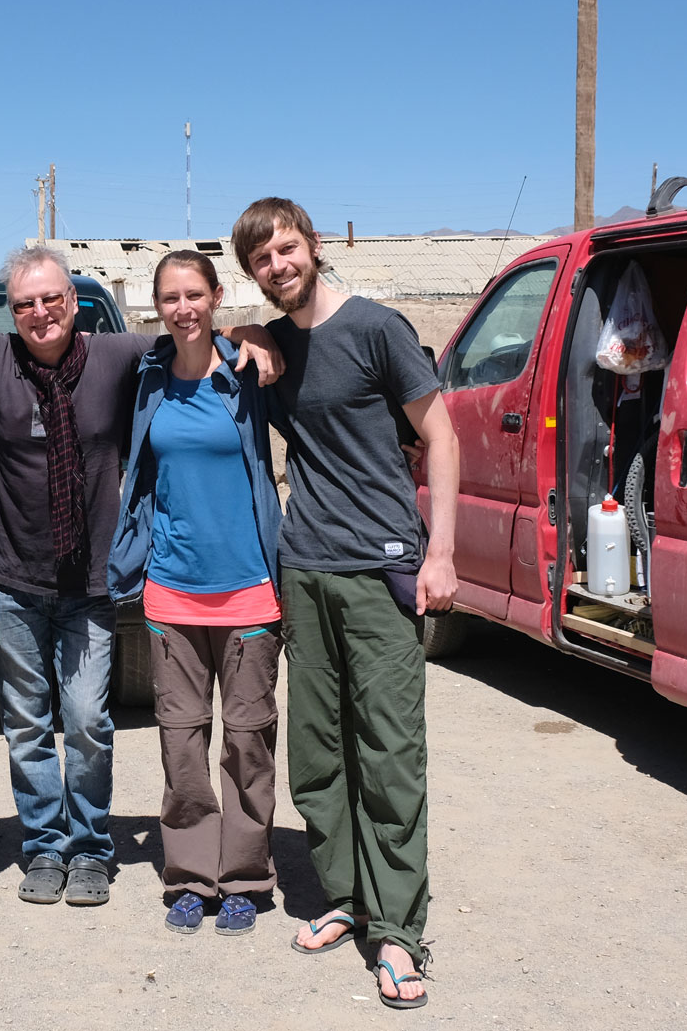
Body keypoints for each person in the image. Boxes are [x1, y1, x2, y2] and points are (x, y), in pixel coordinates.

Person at [0, 247, 282, 908]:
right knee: (24, 728)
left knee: (85, 721)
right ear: (10, 312)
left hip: (92, 584)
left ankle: (90, 849)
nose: (39, 313)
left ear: (74, 303)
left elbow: (190, 330)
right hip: (14, 580)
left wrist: (248, 332)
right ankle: (43, 847)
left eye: (51, 299)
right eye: (24, 304)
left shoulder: (117, 356)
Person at [231, 196, 458, 1011]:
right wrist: (243, 332)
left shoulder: (376, 328)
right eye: (260, 259)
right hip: (306, 567)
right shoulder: (276, 344)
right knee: (318, 754)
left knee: (389, 752)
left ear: (313, 246)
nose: (276, 266)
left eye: (285, 249)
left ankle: (397, 931)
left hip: (381, 569)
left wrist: (441, 551)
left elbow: (441, 435)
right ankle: (347, 896)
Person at [106, 251, 283, 939]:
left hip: (248, 593)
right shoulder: (146, 378)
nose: (183, 308)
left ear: (214, 298)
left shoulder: (246, 375)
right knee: (181, 745)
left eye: (194, 295)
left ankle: (241, 876)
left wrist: (260, 333)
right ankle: (188, 876)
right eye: (170, 297)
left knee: (247, 744)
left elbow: (297, 336)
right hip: (171, 593)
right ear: (157, 306)